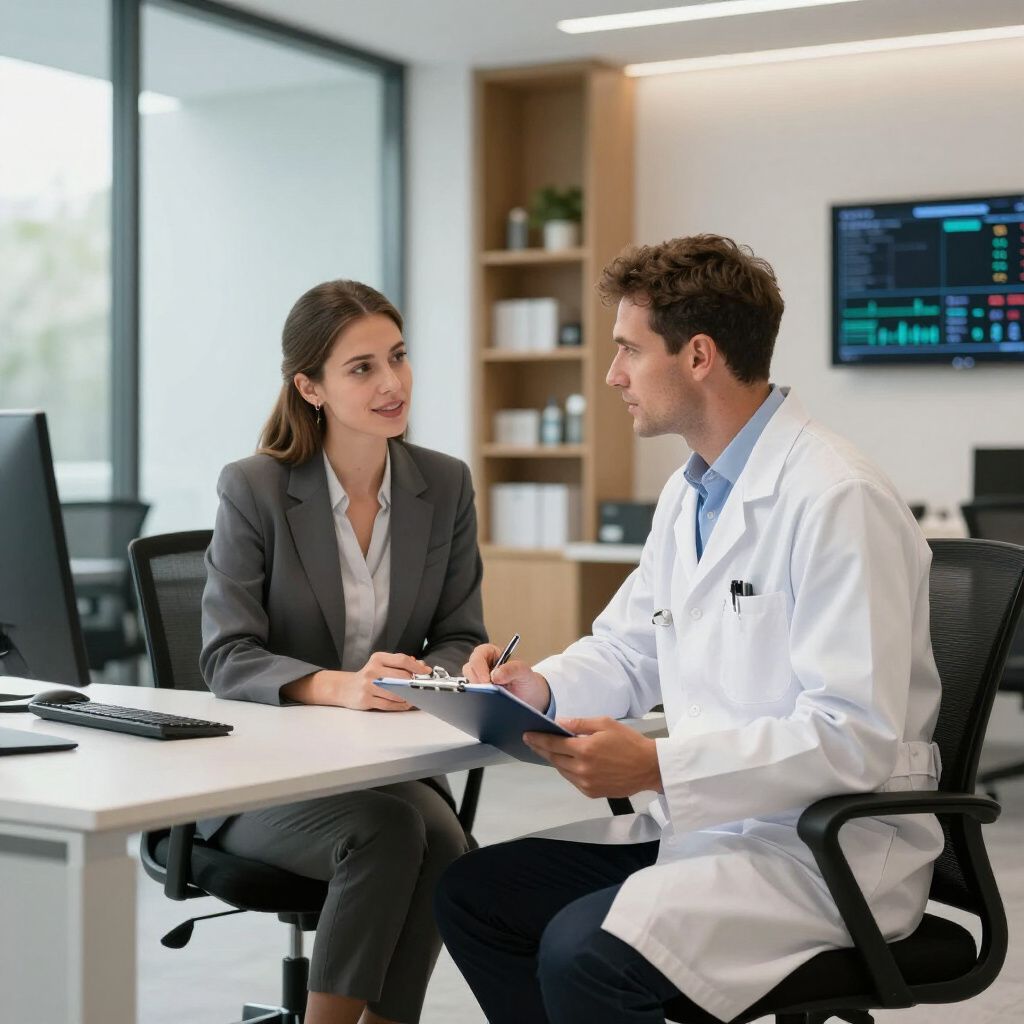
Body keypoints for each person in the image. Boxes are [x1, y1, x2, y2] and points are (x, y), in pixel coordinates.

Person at [435, 235, 943, 1024]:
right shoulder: (690, 493)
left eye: (629, 351)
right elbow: (635, 643)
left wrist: (657, 766)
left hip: (822, 853)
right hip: (715, 830)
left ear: (699, 355)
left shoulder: (838, 497)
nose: (612, 376)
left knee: (584, 953)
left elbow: (855, 735)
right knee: (474, 895)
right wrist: (539, 685)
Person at [200, 279, 487, 1024]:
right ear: (311, 387)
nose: (392, 384)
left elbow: (461, 630)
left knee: (449, 842)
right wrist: (341, 686)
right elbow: (227, 656)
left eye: (397, 357)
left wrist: (433, 674)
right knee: (390, 833)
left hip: (383, 764)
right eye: (362, 368)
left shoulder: (445, 485)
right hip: (261, 778)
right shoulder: (255, 489)